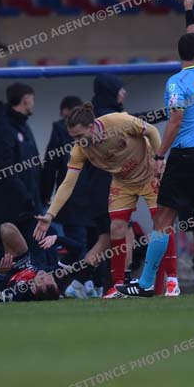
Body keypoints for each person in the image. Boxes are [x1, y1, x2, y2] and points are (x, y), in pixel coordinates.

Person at [118, 0, 194, 298]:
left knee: (164, 218)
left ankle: (145, 284)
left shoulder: (176, 83)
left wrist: (159, 154)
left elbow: (175, 120)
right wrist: (189, 11)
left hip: (184, 154)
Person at [33, 103, 163, 299]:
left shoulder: (116, 123)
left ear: (92, 127)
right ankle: (114, 282)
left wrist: (159, 157)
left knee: (108, 240)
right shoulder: (81, 148)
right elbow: (68, 183)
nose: (77, 141)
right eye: (73, 137)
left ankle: (86, 282)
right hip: (107, 194)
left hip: (118, 188)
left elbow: (147, 127)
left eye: (79, 136)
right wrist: (50, 215)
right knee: (118, 236)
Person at [0, 83, 51, 270]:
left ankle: (38, 283)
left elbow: (34, 166)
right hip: (11, 206)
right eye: (32, 99)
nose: (33, 103)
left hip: (30, 205)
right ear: (25, 100)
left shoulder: (24, 126)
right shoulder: (4, 129)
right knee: (5, 251)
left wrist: (39, 196)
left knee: (36, 249)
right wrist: (26, 196)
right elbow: (5, 170)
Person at [40, 96, 98, 298]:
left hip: (75, 200)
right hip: (94, 196)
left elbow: (50, 166)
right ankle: (89, 283)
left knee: (81, 245)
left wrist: (44, 197)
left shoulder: (60, 130)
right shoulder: (96, 129)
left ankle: (81, 283)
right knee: (94, 242)